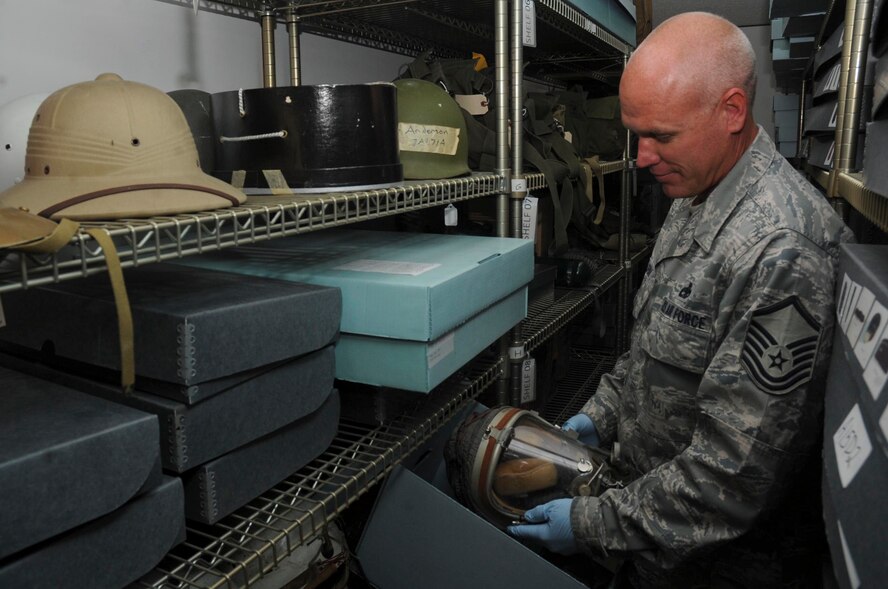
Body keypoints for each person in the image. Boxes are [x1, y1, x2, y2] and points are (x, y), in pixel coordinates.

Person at [508, 11, 855, 588]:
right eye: (636, 135)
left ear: (732, 112)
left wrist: (593, 524)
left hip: (716, 568)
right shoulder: (696, 190)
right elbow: (652, 349)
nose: (642, 158)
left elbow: (733, 479)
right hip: (650, 539)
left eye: (661, 136)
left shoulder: (783, 252)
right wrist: (598, 418)